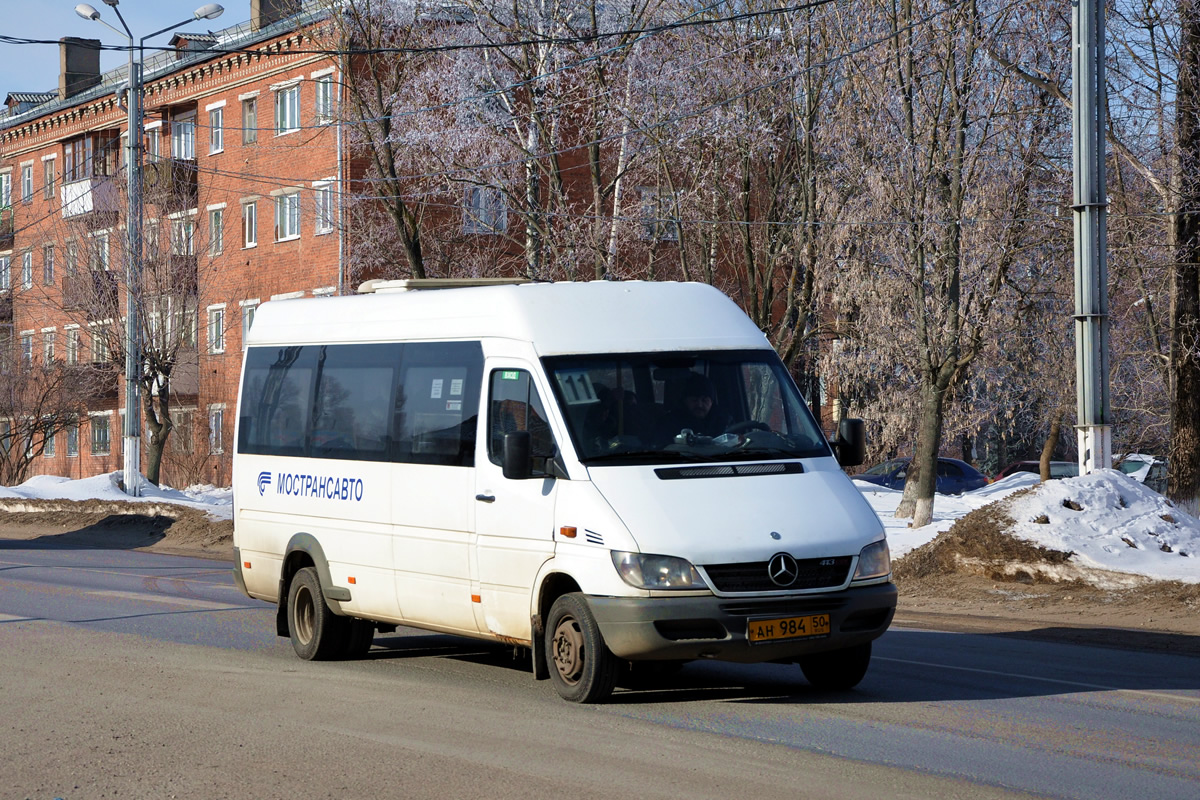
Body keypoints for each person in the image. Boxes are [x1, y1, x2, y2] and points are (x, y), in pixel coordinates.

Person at [662, 372, 730, 439]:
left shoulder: (724, 422)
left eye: (704, 400)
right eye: (694, 400)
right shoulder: (670, 424)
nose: (699, 405)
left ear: (711, 402)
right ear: (685, 401)